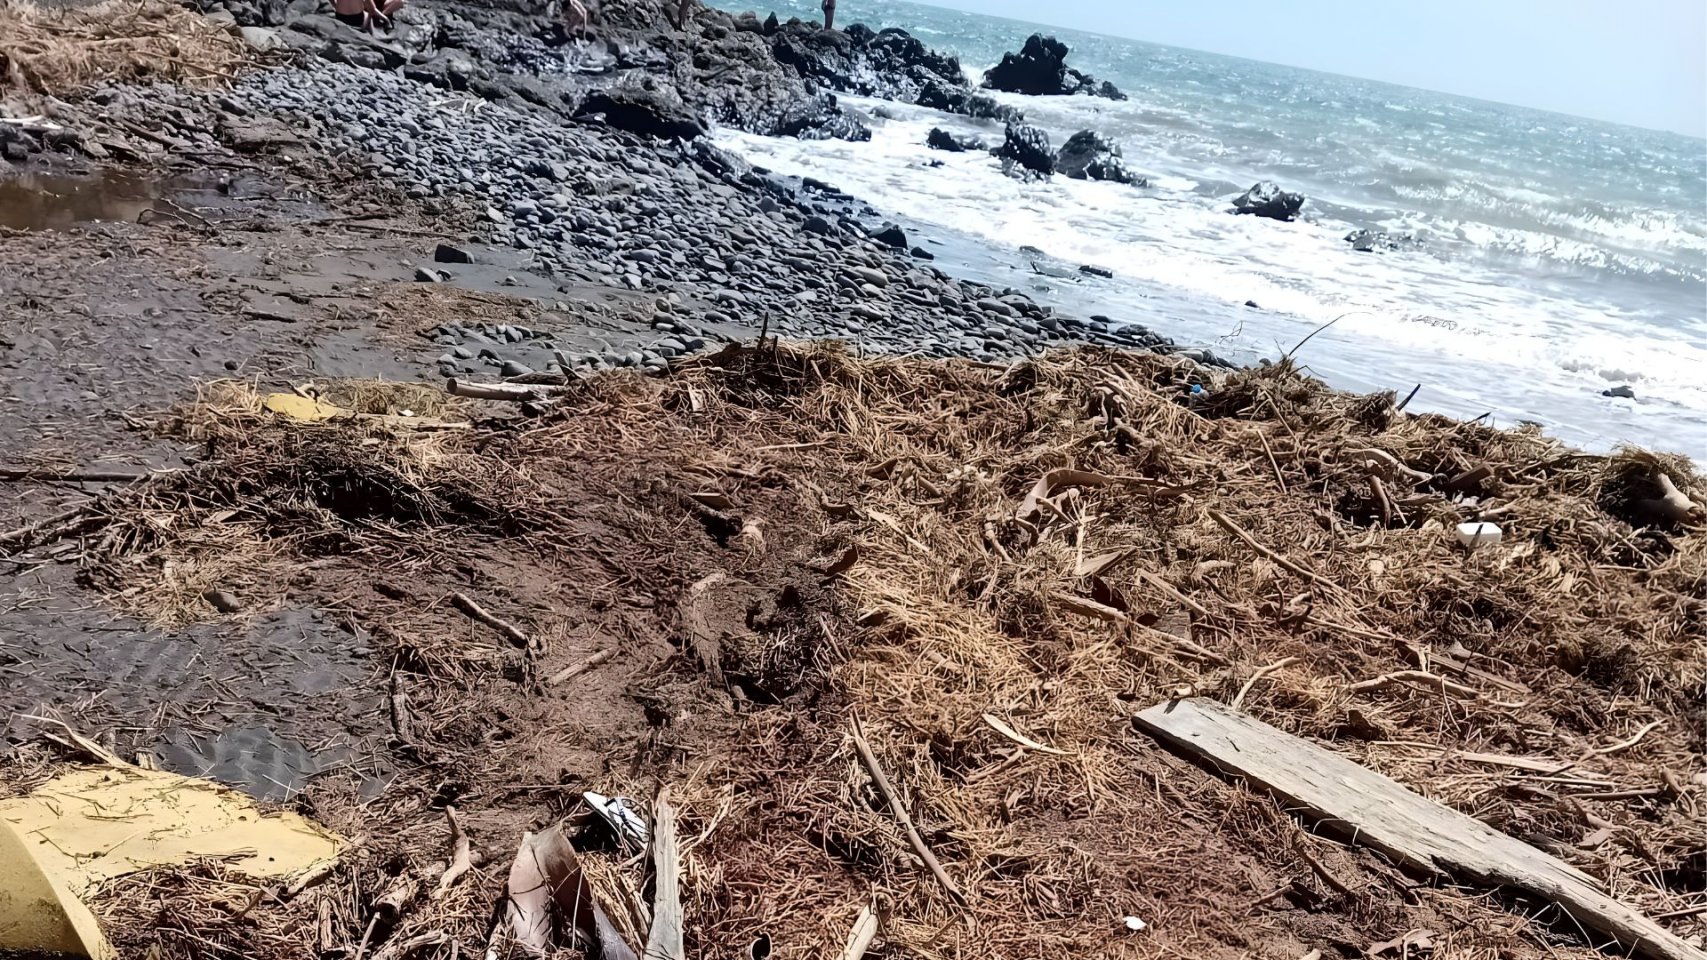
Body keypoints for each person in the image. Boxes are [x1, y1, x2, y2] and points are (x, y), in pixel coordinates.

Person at [333, 0, 402, 32]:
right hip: (356, 21)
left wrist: (336, 5)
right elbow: (372, 9)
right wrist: (386, 19)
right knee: (369, 15)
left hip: (339, 17)